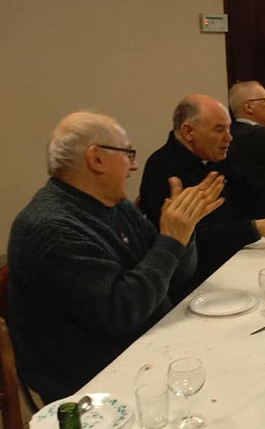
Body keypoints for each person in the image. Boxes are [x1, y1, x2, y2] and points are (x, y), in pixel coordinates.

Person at [7, 112, 224, 403]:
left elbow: (175, 278)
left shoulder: (117, 206)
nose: (134, 165)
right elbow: (121, 313)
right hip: (93, 387)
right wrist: (171, 240)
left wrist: (185, 230)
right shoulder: (51, 229)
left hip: (148, 347)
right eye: (128, 154)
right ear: (96, 159)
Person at [139, 94, 265, 281]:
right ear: (188, 131)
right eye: (219, 129)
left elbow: (254, 196)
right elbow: (194, 240)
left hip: (235, 255)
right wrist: (254, 228)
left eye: (229, 128)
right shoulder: (163, 169)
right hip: (201, 277)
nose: (229, 138)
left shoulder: (213, 156)